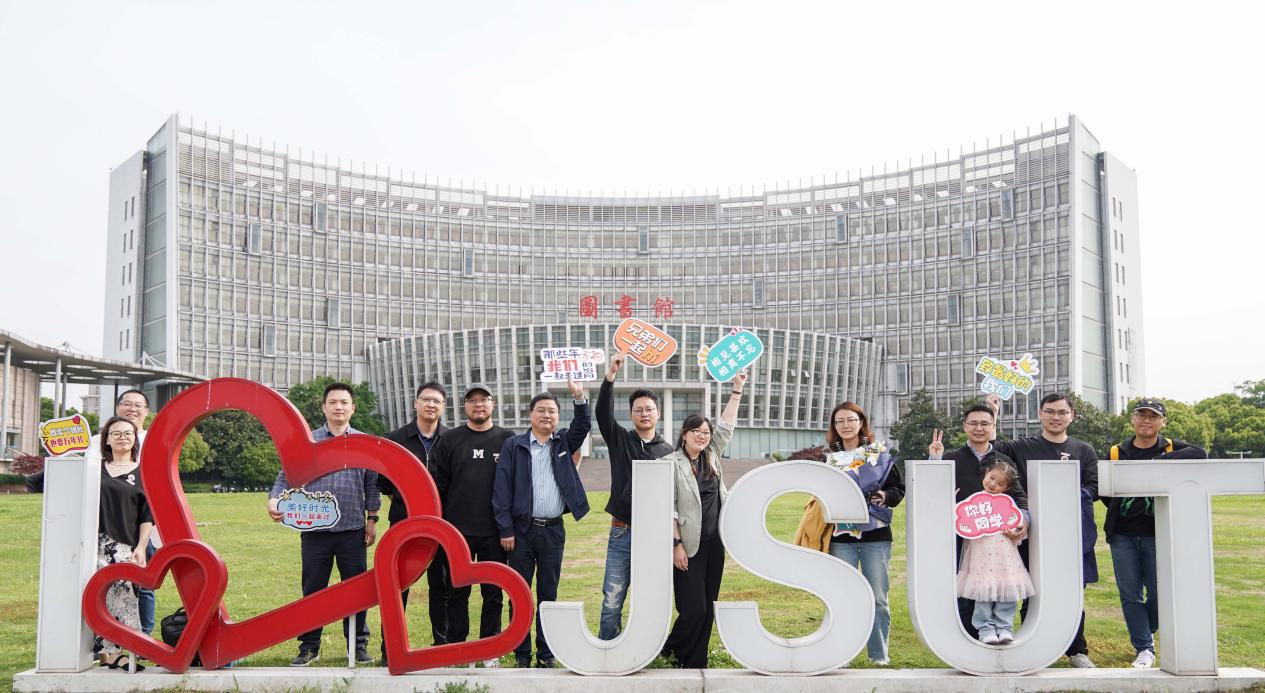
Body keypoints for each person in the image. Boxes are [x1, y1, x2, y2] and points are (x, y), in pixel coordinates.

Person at [267, 382, 380, 666]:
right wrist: (274, 500)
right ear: (324, 407)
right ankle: (309, 646)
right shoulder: (309, 440)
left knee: (356, 590)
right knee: (313, 589)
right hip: (314, 531)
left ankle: (357, 645)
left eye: (344, 402)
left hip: (353, 530)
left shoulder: (364, 442)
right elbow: (285, 475)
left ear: (353, 408)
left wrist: (372, 520)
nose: (338, 407)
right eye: (333, 402)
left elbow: (372, 484)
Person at [988, 392, 1099, 668]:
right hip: (1031, 532)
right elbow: (993, 447)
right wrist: (994, 414)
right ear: (1040, 414)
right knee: (1031, 589)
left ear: (1072, 416)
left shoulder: (1084, 450)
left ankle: (1077, 650)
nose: (1055, 417)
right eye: (1049, 411)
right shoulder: (1023, 446)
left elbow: (1093, 488)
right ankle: (1032, 646)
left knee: (1071, 593)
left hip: (1068, 533)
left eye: (1062, 412)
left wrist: (1061, 496)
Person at [1101, 398, 1206, 669]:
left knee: (1160, 591)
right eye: (1141, 415)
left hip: (1158, 533)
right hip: (1122, 534)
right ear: (1132, 419)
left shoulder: (1171, 447)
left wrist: (1161, 461)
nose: (1146, 420)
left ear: (1163, 421)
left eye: (1153, 416)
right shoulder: (1116, 451)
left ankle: (1145, 628)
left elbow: (1201, 453)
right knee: (1130, 593)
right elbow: (1105, 492)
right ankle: (1144, 648)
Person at [493, 379, 591, 668]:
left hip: (552, 531)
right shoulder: (514, 445)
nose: (546, 415)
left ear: (558, 417)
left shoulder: (562, 443)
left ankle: (546, 655)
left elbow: (582, 425)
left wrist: (579, 397)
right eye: (541, 410)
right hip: (521, 532)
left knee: (548, 595)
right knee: (519, 594)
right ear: (530, 415)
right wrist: (506, 529)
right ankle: (522, 655)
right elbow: (501, 490)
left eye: (552, 411)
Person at [661, 372, 747, 669]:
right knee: (693, 608)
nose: (702, 435)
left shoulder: (712, 456)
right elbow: (669, 508)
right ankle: (668, 650)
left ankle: (695, 661)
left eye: (706, 432)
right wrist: (676, 545)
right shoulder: (669, 463)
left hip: (714, 543)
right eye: (696, 431)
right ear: (684, 434)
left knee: (708, 607)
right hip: (688, 545)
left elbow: (727, 426)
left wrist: (737, 390)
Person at [430, 384, 515, 667]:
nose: (478, 404)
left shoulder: (507, 439)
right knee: (456, 592)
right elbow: (439, 485)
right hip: (457, 532)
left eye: (484, 400)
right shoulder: (450, 439)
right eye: (472, 400)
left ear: (493, 404)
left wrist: (508, 526)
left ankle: (489, 650)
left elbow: (514, 484)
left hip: (495, 532)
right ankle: (457, 648)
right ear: (464, 406)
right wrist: (442, 527)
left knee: (493, 593)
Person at [927, 404, 1029, 638]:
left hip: (996, 542)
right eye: (973, 423)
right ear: (964, 426)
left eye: (985, 423)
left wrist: (1024, 520)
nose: (979, 428)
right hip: (960, 539)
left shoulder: (1004, 460)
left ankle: (998, 631)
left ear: (993, 427)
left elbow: (1019, 496)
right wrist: (935, 459)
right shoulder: (950, 458)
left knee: (996, 587)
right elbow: (931, 492)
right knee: (965, 593)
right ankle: (970, 642)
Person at [595, 353, 674, 640]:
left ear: (658, 414)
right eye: (638, 410)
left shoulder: (669, 451)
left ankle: (646, 648)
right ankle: (607, 648)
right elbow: (602, 414)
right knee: (612, 597)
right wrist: (610, 375)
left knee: (650, 596)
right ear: (631, 415)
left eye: (649, 409)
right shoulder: (620, 440)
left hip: (655, 534)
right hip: (622, 532)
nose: (644, 413)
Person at [823, 401, 903, 666]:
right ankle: (842, 653)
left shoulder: (878, 453)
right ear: (834, 427)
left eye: (850, 420)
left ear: (861, 422)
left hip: (875, 536)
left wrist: (883, 496)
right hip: (840, 537)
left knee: (878, 597)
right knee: (842, 596)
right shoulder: (830, 460)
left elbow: (898, 488)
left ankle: (879, 655)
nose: (845, 425)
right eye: (839, 421)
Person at [381, 381, 449, 659]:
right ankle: (390, 648)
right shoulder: (396, 439)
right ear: (415, 403)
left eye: (437, 401)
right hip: (403, 524)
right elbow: (384, 482)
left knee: (441, 586)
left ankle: (442, 645)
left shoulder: (451, 439)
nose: (431, 404)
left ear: (443, 407)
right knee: (398, 584)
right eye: (426, 399)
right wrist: (405, 503)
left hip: (442, 526)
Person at [93, 415, 153, 671]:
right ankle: (106, 652)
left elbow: (147, 516)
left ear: (135, 439)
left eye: (128, 433)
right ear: (106, 439)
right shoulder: (93, 468)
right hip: (91, 544)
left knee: (125, 595)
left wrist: (141, 548)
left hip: (124, 544)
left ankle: (124, 650)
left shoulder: (143, 473)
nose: (122, 437)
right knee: (95, 597)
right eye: (116, 433)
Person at [955, 459, 1035, 645]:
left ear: (1006, 488)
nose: (993, 484)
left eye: (1000, 483)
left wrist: (1014, 532)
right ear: (985, 474)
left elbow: (1017, 527)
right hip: (980, 556)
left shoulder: (1007, 505)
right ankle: (985, 629)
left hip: (1005, 557)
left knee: (1007, 591)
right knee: (983, 593)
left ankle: (1005, 627)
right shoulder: (973, 504)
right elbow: (962, 522)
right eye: (992, 478)